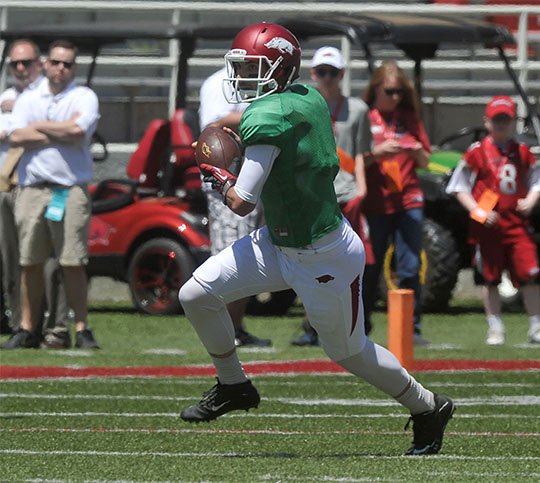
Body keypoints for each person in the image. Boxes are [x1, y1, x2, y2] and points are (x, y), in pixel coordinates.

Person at [178, 23, 455, 456]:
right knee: (196, 294)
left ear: (278, 68)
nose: (242, 77)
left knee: (349, 352)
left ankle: (428, 406)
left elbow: (242, 202)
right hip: (281, 241)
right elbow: (262, 116)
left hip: (322, 255)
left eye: (252, 67)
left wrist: (215, 173)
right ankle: (233, 385)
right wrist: (221, 122)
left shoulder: (270, 118)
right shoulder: (307, 96)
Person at [2, 39, 100, 350]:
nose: (61, 68)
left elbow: (78, 132)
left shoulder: (84, 96)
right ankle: (27, 328)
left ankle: (81, 328)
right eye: (56, 62)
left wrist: (40, 127)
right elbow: (17, 135)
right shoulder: (30, 96)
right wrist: (59, 129)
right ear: (46, 63)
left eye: (67, 64)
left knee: (72, 261)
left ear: (74, 67)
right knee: (29, 261)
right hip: (32, 188)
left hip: (69, 189)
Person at [291, 46, 374, 346]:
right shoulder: (302, 108)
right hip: (315, 194)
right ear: (313, 74)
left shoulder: (358, 110)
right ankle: (314, 325)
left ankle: (355, 321)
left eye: (333, 72)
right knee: (312, 262)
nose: (327, 78)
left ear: (342, 75)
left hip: (347, 192)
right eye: (321, 72)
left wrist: (362, 186)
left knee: (352, 260)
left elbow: (362, 152)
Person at [446, 96, 540, 345]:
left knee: (530, 274)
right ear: (487, 121)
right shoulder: (477, 152)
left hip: (517, 223)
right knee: (490, 277)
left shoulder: (522, 152)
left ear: (513, 122)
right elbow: (458, 187)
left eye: (506, 120)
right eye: (497, 120)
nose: (501, 125)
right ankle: (495, 327)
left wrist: (531, 200)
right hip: (489, 227)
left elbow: (535, 179)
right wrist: (479, 211)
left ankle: (536, 326)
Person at [199, 66, 271, 348]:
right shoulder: (217, 83)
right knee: (230, 256)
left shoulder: (263, 83)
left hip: (256, 178)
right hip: (226, 181)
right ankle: (222, 330)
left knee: (247, 257)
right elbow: (213, 127)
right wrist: (261, 116)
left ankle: (235, 327)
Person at [361, 61, 431, 345]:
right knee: (368, 267)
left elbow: (427, 160)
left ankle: (409, 330)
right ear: (376, 88)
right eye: (390, 91)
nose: (395, 97)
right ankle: (360, 328)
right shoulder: (364, 117)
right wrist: (377, 153)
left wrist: (414, 151)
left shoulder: (409, 119)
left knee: (410, 267)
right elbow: (351, 161)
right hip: (375, 204)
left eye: (400, 92)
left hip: (408, 201)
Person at [0, 39, 44, 338]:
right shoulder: (6, 96)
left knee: (32, 260)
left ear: (38, 64)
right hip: (5, 185)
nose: (20, 68)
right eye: (15, 63)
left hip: (31, 185)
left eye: (26, 62)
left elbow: (40, 131)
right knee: (9, 258)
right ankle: (14, 320)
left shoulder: (42, 95)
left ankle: (33, 324)